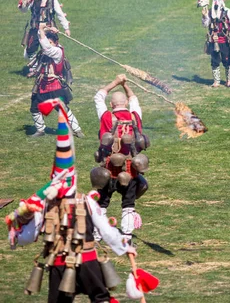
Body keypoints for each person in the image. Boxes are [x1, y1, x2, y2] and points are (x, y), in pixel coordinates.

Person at [5, 98, 136, 302]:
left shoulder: (44, 206)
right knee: (100, 297)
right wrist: (125, 247)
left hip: (58, 263)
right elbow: (106, 230)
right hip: (88, 261)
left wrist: (15, 235)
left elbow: (28, 236)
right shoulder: (87, 202)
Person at [93, 74, 150, 245]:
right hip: (130, 169)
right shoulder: (135, 116)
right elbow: (134, 99)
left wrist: (115, 82)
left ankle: (97, 235)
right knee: (128, 205)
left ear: (111, 105)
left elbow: (99, 96)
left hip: (108, 169)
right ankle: (126, 237)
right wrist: (125, 85)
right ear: (125, 103)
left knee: (102, 204)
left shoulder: (105, 117)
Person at [28, 23, 84, 137]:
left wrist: (41, 29)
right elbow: (42, 41)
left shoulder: (57, 51)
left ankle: (77, 129)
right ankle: (40, 129)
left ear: (55, 43)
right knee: (34, 108)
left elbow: (47, 48)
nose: (48, 44)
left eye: (51, 42)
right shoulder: (47, 49)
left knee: (62, 109)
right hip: (42, 85)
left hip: (55, 87)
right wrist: (44, 29)